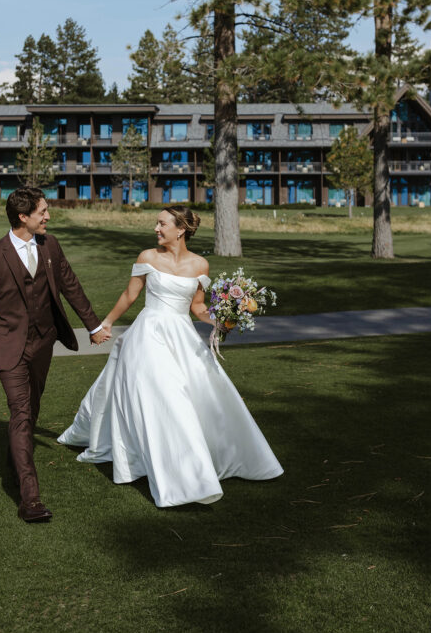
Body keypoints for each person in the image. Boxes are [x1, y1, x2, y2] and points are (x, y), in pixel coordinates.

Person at [58, 205, 283, 507]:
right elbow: (130, 296)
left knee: (199, 395)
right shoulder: (147, 258)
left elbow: (198, 307)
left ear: (180, 229)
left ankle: (197, 463)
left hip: (182, 336)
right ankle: (174, 471)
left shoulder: (200, 265)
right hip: (148, 334)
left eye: (161, 224)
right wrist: (106, 324)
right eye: (156, 223)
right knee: (166, 395)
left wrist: (223, 319)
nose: (156, 228)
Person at [0, 186, 109, 522]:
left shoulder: (51, 246)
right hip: (8, 349)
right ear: (23, 217)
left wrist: (92, 326)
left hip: (44, 342)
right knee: (20, 413)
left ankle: (14, 454)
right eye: (43, 211)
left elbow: (70, 285)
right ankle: (30, 500)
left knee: (31, 407)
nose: (48, 216)